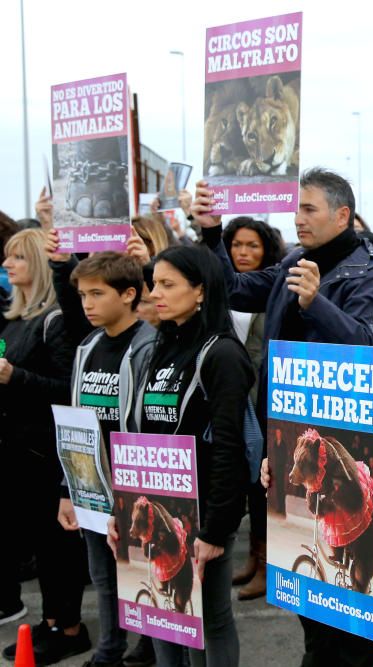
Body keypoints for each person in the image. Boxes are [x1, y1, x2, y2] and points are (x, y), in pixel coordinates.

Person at [193, 167, 373, 666]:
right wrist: (210, 232)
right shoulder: (296, 260)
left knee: (353, 610)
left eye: (309, 209)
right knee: (312, 597)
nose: (297, 218)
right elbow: (234, 289)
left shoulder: (370, 273)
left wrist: (317, 303)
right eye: (297, 208)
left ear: (342, 214)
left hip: (347, 459)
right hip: (293, 449)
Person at [108, 244, 254, 667]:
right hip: (155, 506)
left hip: (203, 514)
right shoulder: (159, 347)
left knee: (210, 621)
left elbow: (230, 447)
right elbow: (142, 437)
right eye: (154, 283)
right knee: (161, 618)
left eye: (169, 284)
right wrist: (124, 509)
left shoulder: (222, 354)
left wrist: (213, 530)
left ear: (202, 291)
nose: (156, 293)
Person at [47, 248, 156, 667]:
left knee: (141, 569)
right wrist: (67, 489)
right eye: (82, 295)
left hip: (136, 480)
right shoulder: (88, 345)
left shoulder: (149, 344)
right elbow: (76, 421)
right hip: (93, 482)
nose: (87, 304)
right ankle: (109, 649)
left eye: (96, 294)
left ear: (129, 294)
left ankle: (147, 645)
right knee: (103, 576)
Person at [0, 229, 90, 664]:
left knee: (58, 547)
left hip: (47, 455)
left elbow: (69, 390)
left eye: (17, 257)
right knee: (41, 544)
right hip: (18, 452)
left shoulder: (54, 322)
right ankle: (54, 618)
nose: (7, 265)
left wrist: (13, 378)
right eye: (6, 257)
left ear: (35, 261)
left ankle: (69, 626)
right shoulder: (14, 318)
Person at [221, 216, 284, 601]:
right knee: (246, 483)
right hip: (233, 396)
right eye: (237, 245)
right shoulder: (226, 292)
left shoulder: (273, 288)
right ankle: (254, 558)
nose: (243, 253)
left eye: (252, 246)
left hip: (264, 397)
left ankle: (268, 566)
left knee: (264, 485)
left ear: (267, 250)